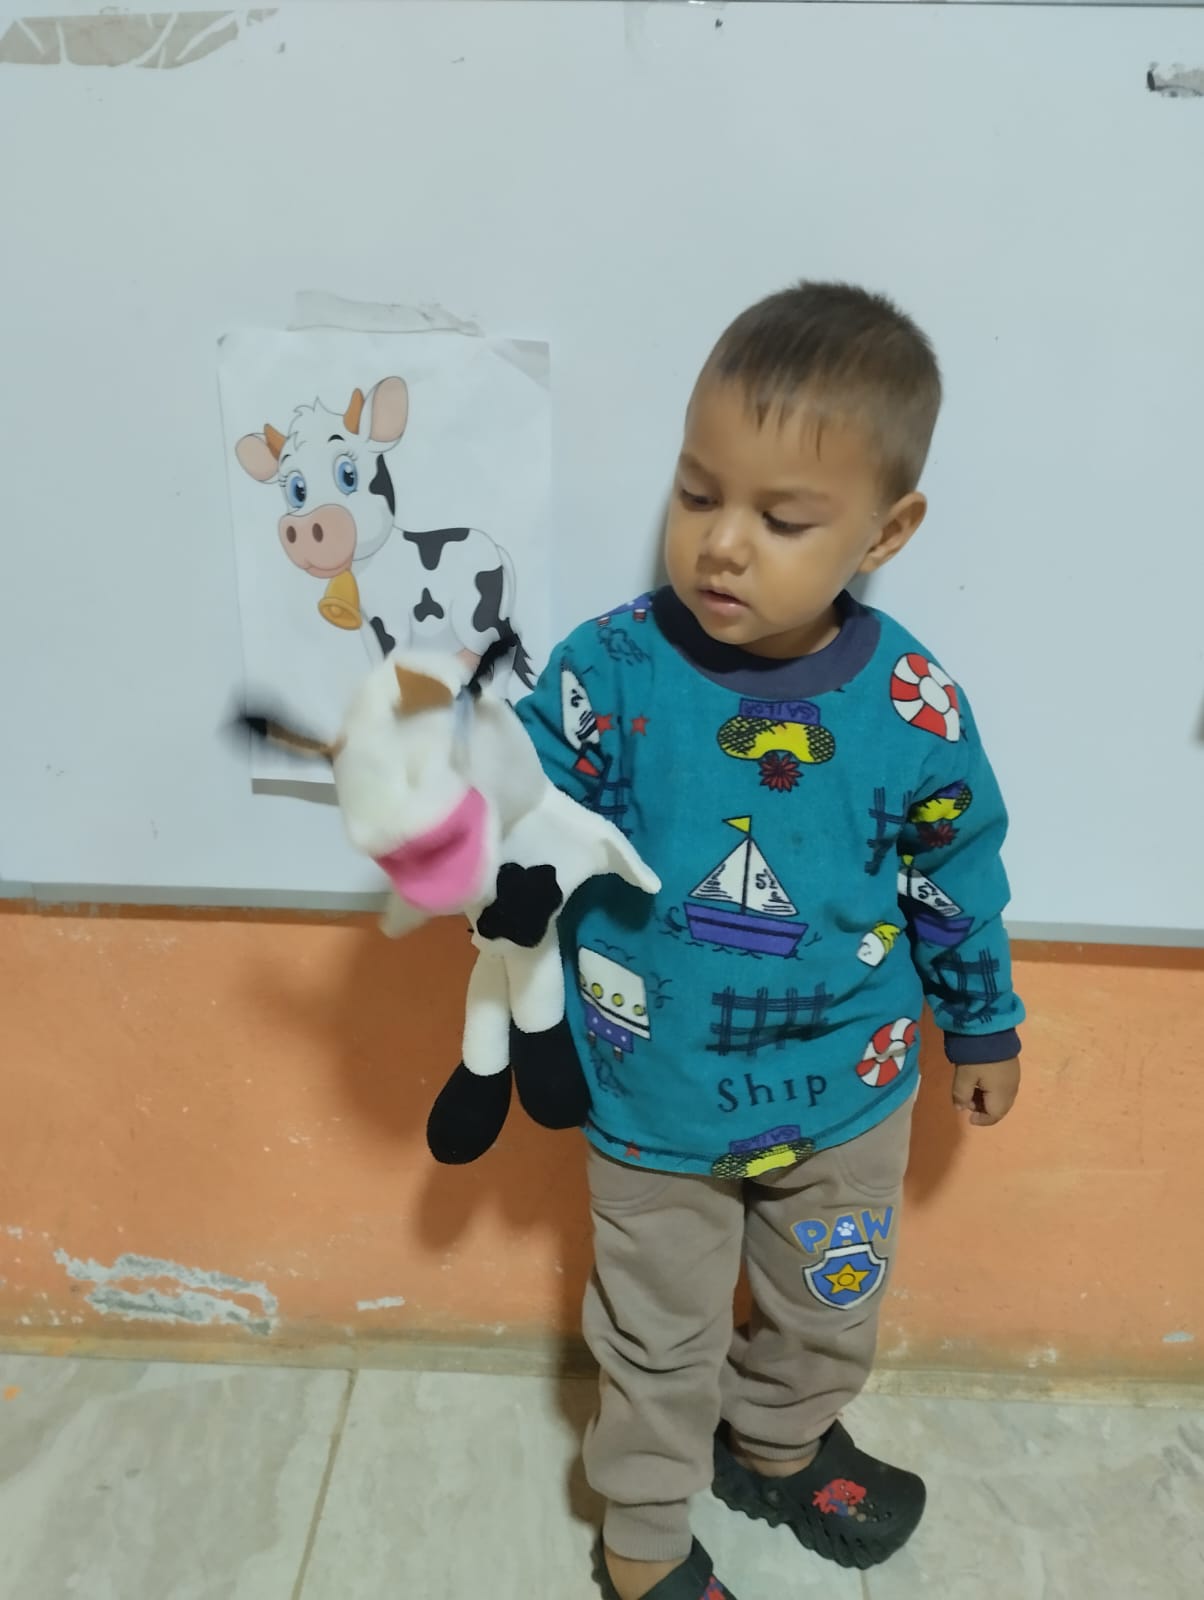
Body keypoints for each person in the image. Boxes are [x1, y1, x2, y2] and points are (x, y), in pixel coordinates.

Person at [516, 281, 1025, 1600]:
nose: (722, 545)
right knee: (655, 1341)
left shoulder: (911, 702)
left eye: (782, 520)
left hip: (851, 1089)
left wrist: (982, 1021)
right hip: (654, 1097)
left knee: (828, 1306)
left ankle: (782, 1445)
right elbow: (512, 811)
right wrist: (441, 804)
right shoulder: (608, 673)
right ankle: (641, 1542)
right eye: (697, 495)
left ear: (885, 531)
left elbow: (955, 874)